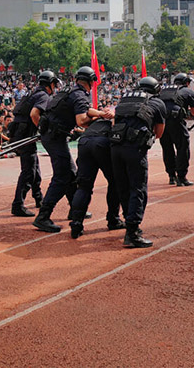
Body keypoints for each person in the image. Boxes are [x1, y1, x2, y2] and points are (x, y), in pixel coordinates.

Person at [33, 66, 111, 233]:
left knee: (72, 174)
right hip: (55, 138)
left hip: (51, 135)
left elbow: (82, 109)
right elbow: (82, 119)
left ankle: (75, 211)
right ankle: (43, 217)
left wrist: (98, 113)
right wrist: (100, 116)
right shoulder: (80, 94)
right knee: (62, 177)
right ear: (91, 82)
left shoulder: (71, 91)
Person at [110, 77, 167, 248]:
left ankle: (130, 223)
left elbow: (115, 122)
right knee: (138, 188)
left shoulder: (124, 98)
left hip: (115, 147)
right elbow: (159, 133)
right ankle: (132, 233)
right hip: (135, 149)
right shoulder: (157, 103)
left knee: (123, 187)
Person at [8, 70, 58, 217]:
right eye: (54, 84)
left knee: (34, 168)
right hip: (24, 135)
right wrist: (42, 130)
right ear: (49, 84)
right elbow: (34, 114)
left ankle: (38, 198)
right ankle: (17, 204)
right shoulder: (43, 96)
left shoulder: (33, 93)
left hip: (20, 133)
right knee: (29, 171)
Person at [68, 114, 125, 239]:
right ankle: (113, 219)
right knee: (114, 182)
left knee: (83, 186)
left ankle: (76, 224)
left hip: (84, 142)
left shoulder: (96, 118)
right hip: (103, 143)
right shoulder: (118, 118)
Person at [159, 73, 194, 186]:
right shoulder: (188, 92)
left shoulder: (163, 91)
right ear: (186, 82)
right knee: (182, 147)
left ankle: (171, 176)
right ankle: (181, 177)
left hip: (162, 122)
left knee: (167, 149)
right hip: (176, 122)